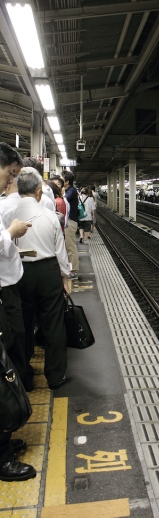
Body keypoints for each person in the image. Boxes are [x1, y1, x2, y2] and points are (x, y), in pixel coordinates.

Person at [3, 167, 69, 391]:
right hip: (48, 270)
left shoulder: (8, 215)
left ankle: (24, 377)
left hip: (19, 272)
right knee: (53, 322)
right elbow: (60, 250)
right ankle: (55, 375)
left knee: (22, 324)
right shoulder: (49, 215)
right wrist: (65, 277)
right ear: (39, 191)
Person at [0, 145, 36, 483]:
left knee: (6, 363)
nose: (10, 183)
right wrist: (10, 234)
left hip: (5, 290)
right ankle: (2, 456)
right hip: (2, 293)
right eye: (10, 174)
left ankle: (5, 436)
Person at [63, 170, 79, 278]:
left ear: (67, 181)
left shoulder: (71, 191)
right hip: (68, 221)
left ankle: (73, 270)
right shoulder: (70, 190)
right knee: (67, 246)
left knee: (70, 246)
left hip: (70, 222)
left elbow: (65, 199)